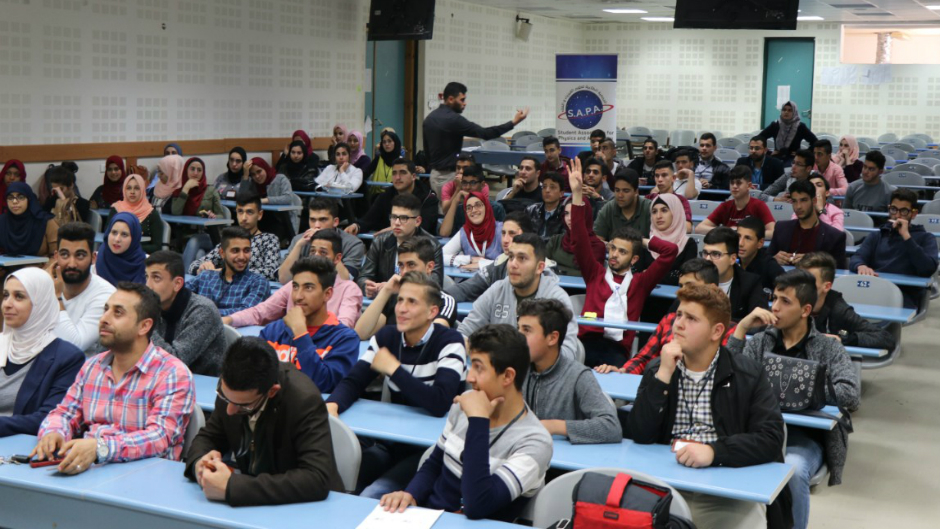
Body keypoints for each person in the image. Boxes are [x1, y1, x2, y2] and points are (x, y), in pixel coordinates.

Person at [629, 284, 789, 529]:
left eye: (691, 319)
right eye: (679, 315)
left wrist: (715, 452)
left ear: (716, 332)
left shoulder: (747, 374)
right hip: (665, 485)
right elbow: (640, 433)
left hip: (727, 491)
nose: (678, 324)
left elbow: (771, 438)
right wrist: (663, 376)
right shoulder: (658, 369)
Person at [380, 324, 552, 521]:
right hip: (431, 518)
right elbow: (435, 463)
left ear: (507, 376)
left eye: (478, 367)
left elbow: (477, 505)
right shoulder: (466, 404)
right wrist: (411, 494)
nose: (469, 377)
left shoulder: (536, 443)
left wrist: (478, 420)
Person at [729, 270, 860, 529]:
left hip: (805, 439)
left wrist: (805, 385)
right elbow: (729, 379)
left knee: (793, 469)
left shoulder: (828, 347)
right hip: (758, 432)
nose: (775, 307)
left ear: (805, 310)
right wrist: (741, 328)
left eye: (785, 301)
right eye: (774, 299)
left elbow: (851, 394)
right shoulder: (760, 342)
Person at [30, 283, 195, 474]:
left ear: (144, 326)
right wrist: (53, 433)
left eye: (118, 313)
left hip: (145, 477)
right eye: (106, 310)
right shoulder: (92, 366)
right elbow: (64, 413)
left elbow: (158, 438)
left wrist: (100, 448)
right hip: (89, 471)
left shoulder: (172, 373)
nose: (104, 319)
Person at [328, 271, 467, 497]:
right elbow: (353, 382)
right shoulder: (388, 337)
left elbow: (439, 403)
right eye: (400, 300)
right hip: (391, 443)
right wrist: (333, 405)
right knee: (337, 482)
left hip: (430, 451)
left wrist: (394, 369)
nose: (401, 308)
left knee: (373, 494)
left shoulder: (450, 341)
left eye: (412, 302)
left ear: (432, 312)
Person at [185, 337, 343, 505]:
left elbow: (316, 478)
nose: (229, 410)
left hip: (309, 507)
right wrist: (200, 464)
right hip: (256, 500)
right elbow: (208, 437)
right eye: (224, 397)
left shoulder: (303, 400)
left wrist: (233, 487)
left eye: (242, 405)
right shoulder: (231, 387)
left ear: (272, 392)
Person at [569, 161, 678, 366]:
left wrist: (641, 241)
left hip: (617, 351)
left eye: (622, 251)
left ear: (634, 259)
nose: (614, 255)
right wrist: (576, 195)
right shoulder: (595, 274)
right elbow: (579, 239)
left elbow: (670, 252)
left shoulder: (640, 283)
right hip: (585, 344)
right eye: (613, 248)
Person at [457, 233, 584, 362]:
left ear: (539, 267)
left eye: (522, 258)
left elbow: (567, 354)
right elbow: (464, 332)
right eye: (511, 257)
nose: (513, 264)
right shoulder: (497, 290)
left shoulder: (557, 300)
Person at [595, 259, 730, 375]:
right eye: (681, 286)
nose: (683, 292)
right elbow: (643, 359)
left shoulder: (727, 330)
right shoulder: (670, 320)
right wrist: (623, 372)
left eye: (691, 286)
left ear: (712, 288)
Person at [518, 298, 620, 444]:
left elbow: (611, 427)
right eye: (518, 329)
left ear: (552, 338)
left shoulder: (578, 376)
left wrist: (554, 426)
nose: (518, 336)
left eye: (526, 330)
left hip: (561, 457)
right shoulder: (515, 370)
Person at [0, 268, 84, 437]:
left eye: (19, 297)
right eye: (5, 295)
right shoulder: (2, 343)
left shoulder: (67, 358)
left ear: (40, 304)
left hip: (20, 446)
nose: (7, 304)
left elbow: (49, 418)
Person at [258, 257, 359, 393]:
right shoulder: (273, 331)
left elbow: (323, 386)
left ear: (327, 294)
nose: (298, 296)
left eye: (308, 288)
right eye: (295, 287)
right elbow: (254, 377)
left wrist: (300, 334)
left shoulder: (345, 339)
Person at [226, 230, 362, 329]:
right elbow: (261, 312)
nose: (316, 256)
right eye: (312, 251)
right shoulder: (295, 284)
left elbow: (344, 326)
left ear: (337, 259)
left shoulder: (349, 289)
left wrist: (302, 333)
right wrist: (230, 319)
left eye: (323, 252)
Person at [423, 81, 528, 198]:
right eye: (462, 100)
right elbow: (486, 133)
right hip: (450, 176)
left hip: (434, 175)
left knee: (441, 206)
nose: (465, 103)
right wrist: (514, 122)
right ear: (451, 99)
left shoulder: (429, 119)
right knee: (452, 208)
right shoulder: (454, 120)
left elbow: (427, 150)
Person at [849, 188, 939, 308]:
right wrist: (861, 266)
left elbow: (928, 268)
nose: (897, 215)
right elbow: (857, 257)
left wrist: (906, 237)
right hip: (874, 290)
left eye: (904, 211)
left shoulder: (926, 238)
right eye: (893, 209)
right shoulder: (877, 236)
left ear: (914, 214)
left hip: (904, 295)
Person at [355, 238, 457, 339]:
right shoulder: (393, 296)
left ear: (429, 267)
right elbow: (361, 334)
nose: (404, 272)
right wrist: (386, 290)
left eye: (411, 265)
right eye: (401, 265)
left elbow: (433, 338)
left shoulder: (444, 300)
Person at [145, 251, 224, 376]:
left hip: (201, 382)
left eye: (156, 278)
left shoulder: (202, 311)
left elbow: (175, 362)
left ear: (177, 284)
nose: (148, 285)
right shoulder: (153, 304)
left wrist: (144, 326)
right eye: (146, 277)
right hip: (161, 378)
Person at [797, 252, 896, 351]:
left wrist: (843, 339)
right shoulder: (790, 303)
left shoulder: (838, 309)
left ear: (826, 286)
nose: (800, 286)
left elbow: (885, 338)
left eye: (809, 281)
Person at [47, 223, 116, 353]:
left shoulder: (106, 295)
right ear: (56, 257)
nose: (72, 264)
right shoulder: (45, 285)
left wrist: (56, 297)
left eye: (80, 255)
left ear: (93, 258)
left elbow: (74, 346)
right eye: (65, 255)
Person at [358, 193, 445, 295]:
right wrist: (368, 287)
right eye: (394, 217)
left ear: (417, 221)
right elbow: (363, 277)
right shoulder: (380, 241)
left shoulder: (432, 245)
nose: (397, 223)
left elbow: (435, 284)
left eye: (404, 218)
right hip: (385, 300)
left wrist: (395, 286)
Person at [445, 211, 534, 303]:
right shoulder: (499, 263)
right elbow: (465, 289)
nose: (505, 240)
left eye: (512, 234)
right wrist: (438, 298)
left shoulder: (540, 270)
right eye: (503, 233)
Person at [188, 193, 281, 281]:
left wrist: (228, 272)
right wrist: (200, 268)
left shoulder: (269, 240)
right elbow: (193, 265)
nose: (244, 218)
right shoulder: (231, 239)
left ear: (259, 215)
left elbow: (271, 272)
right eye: (240, 211)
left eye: (249, 212)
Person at [186, 227, 270, 316]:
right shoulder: (206, 276)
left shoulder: (258, 282)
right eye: (235, 251)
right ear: (222, 253)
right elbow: (179, 296)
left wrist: (200, 312)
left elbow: (245, 313)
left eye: (246, 250)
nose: (242, 257)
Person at [345, 159, 439, 236]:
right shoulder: (386, 195)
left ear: (413, 176)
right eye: (394, 173)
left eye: (402, 173)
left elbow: (424, 227)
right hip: (390, 245)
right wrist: (356, 226)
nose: (397, 177)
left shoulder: (428, 197)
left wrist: (395, 229)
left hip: (420, 245)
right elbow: (369, 219)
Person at [281, 197, 365, 282]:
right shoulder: (299, 240)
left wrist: (327, 245)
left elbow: (345, 280)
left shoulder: (353, 244)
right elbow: (284, 279)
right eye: (312, 220)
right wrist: (298, 246)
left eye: (323, 219)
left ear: (335, 222)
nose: (316, 225)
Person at [768, 180, 847, 268]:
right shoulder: (781, 228)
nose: (798, 206)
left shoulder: (835, 236)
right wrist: (774, 259)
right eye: (794, 201)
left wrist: (814, 262)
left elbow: (839, 269)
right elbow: (767, 259)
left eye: (803, 200)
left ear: (814, 201)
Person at [701, 227, 765, 320]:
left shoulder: (750, 283)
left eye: (716, 254)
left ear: (733, 259)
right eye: (705, 253)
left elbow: (759, 320)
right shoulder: (696, 278)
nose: (707, 259)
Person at [634, 193, 696, 285]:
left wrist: (650, 274)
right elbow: (636, 274)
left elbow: (685, 277)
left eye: (664, 210)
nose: (658, 216)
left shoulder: (688, 243)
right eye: (654, 212)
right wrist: (670, 275)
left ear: (675, 212)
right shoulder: (646, 241)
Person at [695, 165, 775, 235]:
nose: (734, 186)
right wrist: (727, 231)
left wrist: (746, 234)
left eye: (739, 183)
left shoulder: (759, 205)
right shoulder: (725, 206)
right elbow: (699, 228)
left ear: (749, 186)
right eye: (732, 183)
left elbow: (773, 232)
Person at [438, 164, 506, 237]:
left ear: (482, 185)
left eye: (473, 183)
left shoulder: (496, 208)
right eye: (464, 183)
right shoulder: (459, 209)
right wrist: (454, 202)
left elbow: (503, 236)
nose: (468, 187)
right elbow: (444, 233)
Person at [545, 198, 607, 277]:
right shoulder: (555, 241)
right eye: (566, 213)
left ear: (586, 216)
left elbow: (590, 276)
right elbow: (542, 266)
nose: (569, 218)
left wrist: (558, 270)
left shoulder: (596, 246)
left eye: (575, 213)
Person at [443, 191, 503, 270]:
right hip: (470, 278)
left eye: (478, 205)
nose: (473, 210)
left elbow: (510, 260)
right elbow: (439, 257)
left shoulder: (501, 230)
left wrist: (480, 264)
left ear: (487, 207)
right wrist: (469, 259)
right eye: (469, 208)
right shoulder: (465, 232)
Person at [239, 157, 298, 237]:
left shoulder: (280, 179)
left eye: (259, 171)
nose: (257, 176)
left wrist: (265, 200)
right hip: (259, 221)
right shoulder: (253, 183)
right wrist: (245, 175)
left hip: (281, 222)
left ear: (265, 168)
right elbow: (242, 198)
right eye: (253, 174)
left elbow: (288, 198)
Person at [0, 182, 59, 258]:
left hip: (41, 265)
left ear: (29, 199)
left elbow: (57, 257)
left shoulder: (46, 222)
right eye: (10, 197)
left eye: (21, 197)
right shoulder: (2, 222)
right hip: (6, 265)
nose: (14, 201)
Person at [111, 173, 164, 254]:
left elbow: (157, 246)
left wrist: (131, 248)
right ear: (124, 190)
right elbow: (107, 236)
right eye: (129, 188)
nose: (132, 192)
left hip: (142, 255)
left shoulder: (152, 214)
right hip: (118, 254)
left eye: (136, 188)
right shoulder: (116, 209)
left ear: (142, 190)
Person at [594, 168, 651, 240]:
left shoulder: (650, 208)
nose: (620, 195)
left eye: (626, 191)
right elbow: (597, 241)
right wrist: (609, 245)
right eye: (617, 190)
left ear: (636, 192)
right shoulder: (608, 208)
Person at [96, 212, 147, 286]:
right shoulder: (96, 259)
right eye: (114, 232)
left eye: (124, 234)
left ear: (134, 238)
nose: (117, 239)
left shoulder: (147, 266)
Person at [737, 215, 785, 293]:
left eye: (748, 238)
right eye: (738, 236)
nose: (740, 243)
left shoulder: (769, 265)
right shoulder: (729, 258)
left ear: (760, 243)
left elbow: (788, 288)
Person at [647, 160, 693, 230]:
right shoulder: (649, 198)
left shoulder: (681, 200)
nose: (660, 179)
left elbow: (688, 227)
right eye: (657, 176)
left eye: (664, 175)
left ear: (673, 178)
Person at [522, 171, 565, 240]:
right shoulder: (531, 210)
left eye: (552, 187)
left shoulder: (565, 214)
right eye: (544, 187)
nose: (547, 190)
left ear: (561, 193)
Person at [363, 130, 402, 200]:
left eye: (389, 141)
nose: (386, 144)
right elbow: (366, 173)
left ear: (395, 142)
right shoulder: (379, 159)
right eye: (384, 142)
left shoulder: (401, 161)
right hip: (377, 195)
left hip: (395, 196)